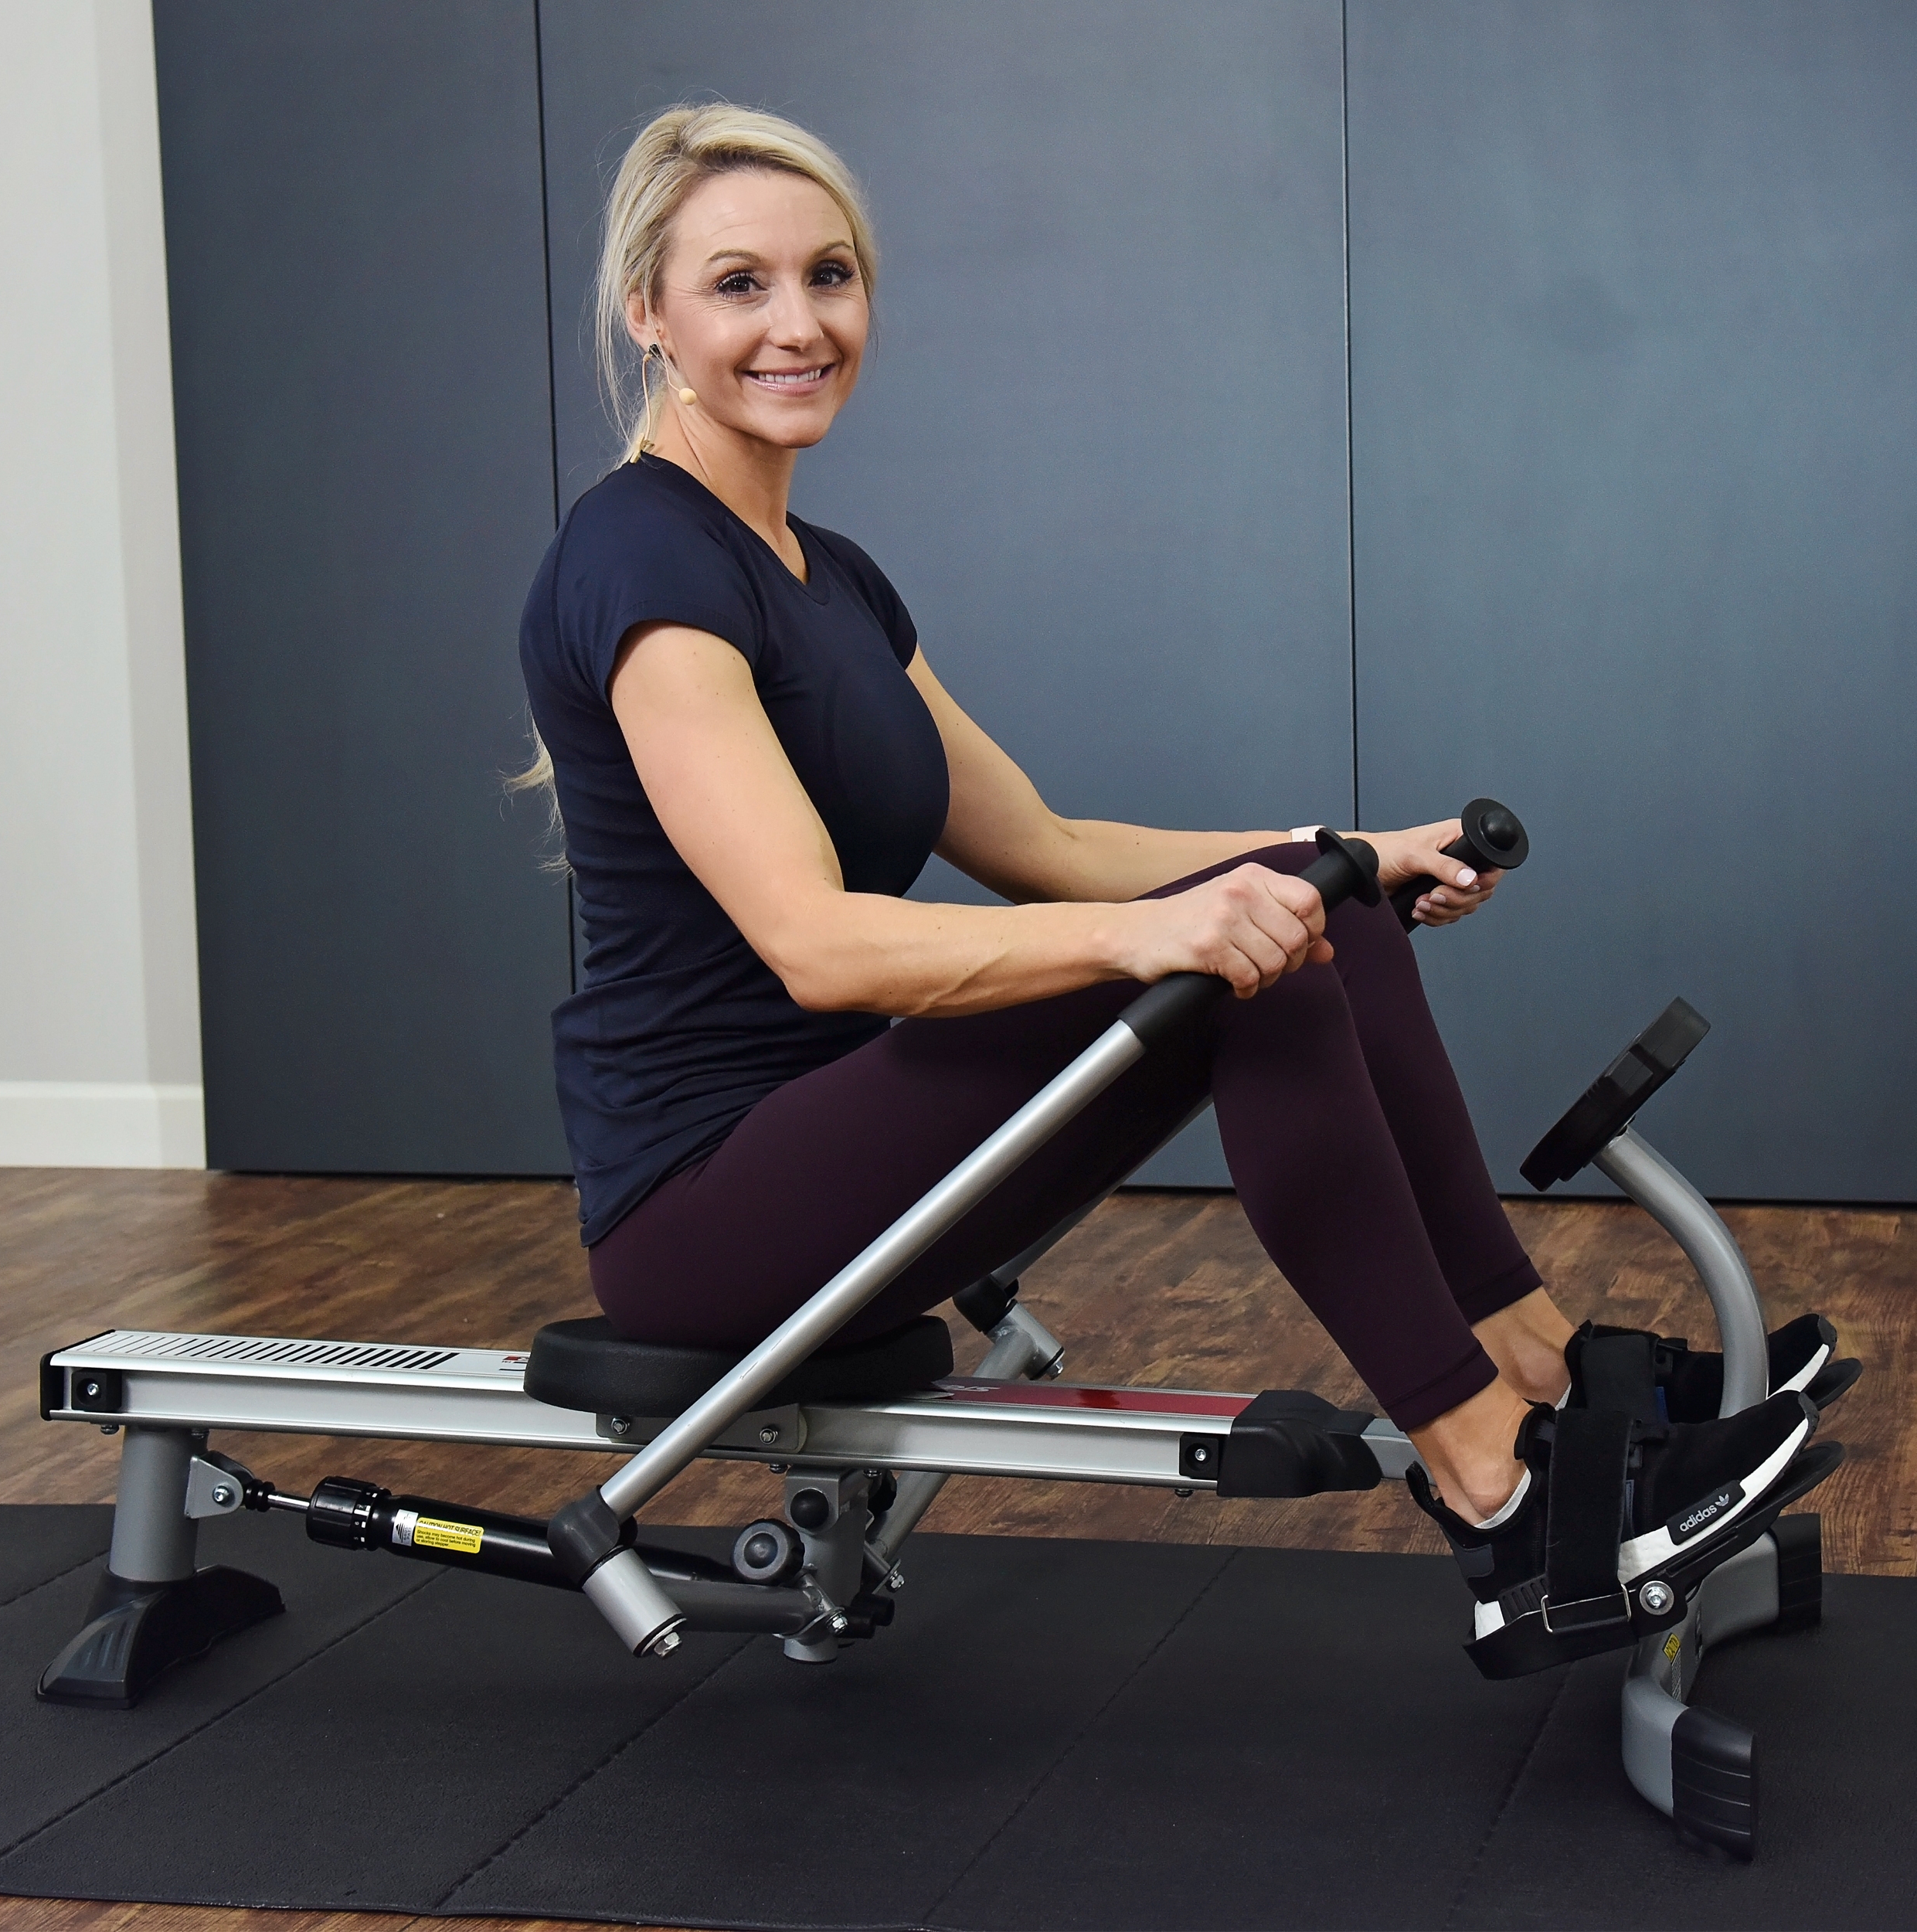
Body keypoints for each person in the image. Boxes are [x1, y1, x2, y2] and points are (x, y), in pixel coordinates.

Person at [515, 105, 1842, 1673]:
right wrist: (1182, 930)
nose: (797, 323)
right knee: (1244, 963)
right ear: (647, 313)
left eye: (831, 275)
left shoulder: (835, 576)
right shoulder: (641, 564)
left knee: (1306, 913)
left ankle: (1540, 1372)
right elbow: (813, 944)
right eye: (738, 284)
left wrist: (1342, 850)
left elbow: (1049, 843)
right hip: (711, 1198)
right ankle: (1495, 1493)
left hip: (858, 1148)